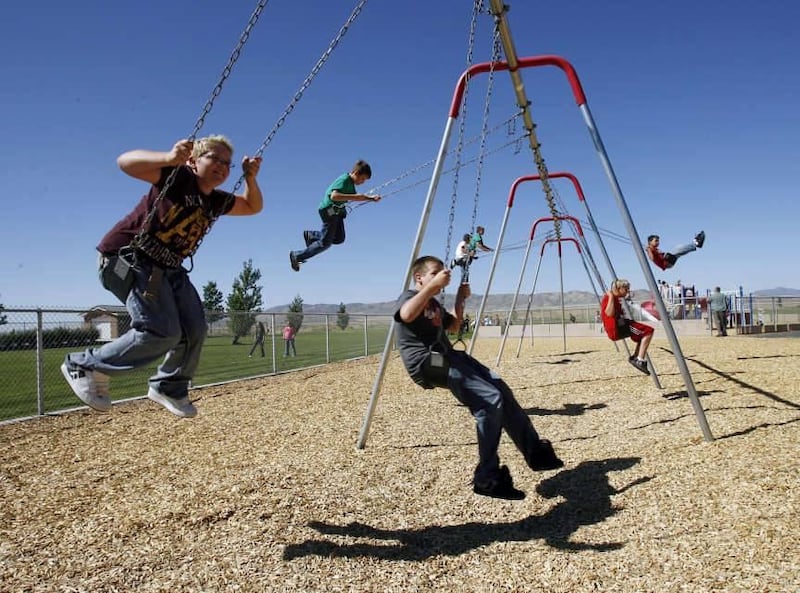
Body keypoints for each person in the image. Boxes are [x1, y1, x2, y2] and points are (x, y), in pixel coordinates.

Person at [61, 136, 263, 418]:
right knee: (161, 330)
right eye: (213, 158)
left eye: (226, 163)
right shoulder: (178, 177)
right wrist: (169, 158)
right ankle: (84, 365)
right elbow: (125, 162)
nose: (221, 166)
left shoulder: (217, 201)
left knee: (194, 329)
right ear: (193, 161)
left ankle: (170, 386)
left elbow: (253, 207)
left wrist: (250, 178)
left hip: (170, 267)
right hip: (129, 257)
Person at [394, 255, 564, 500]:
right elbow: (407, 315)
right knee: (488, 399)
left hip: (447, 356)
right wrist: (433, 287)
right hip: (425, 361)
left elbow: (453, 326)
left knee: (500, 388)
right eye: (435, 273)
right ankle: (487, 478)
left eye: (442, 272)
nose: (442, 275)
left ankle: (535, 452)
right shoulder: (409, 297)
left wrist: (460, 299)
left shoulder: (432, 302)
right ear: (419, 277)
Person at [289, 160, 381, 271]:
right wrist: (355, 197)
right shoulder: (344, 179)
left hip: (337, 213)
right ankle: (297, 256)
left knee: (339, 238)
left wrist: (371, 198)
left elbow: (357, 197)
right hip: (329, 210)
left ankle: (312, 236)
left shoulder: (351, 185)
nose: (362, 182)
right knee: (325, 243)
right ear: (356, 173)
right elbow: (334, 196)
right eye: (362, 179)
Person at [601, 279, 654, 376]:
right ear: (618, 288)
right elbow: (609, 313)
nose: (628, 291)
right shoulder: (609, 297)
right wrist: (611, 296)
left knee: (642, 334)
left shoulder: (616, 298)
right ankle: (639, 360)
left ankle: (636, 357)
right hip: (616, 329)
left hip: (620, 326)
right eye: (626, 289)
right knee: (648, 331)